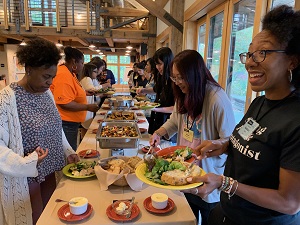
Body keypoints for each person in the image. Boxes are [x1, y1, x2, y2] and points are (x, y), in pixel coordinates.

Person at [186, 5, 300, 225]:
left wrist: (225, 183)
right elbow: (251, 142)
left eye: (262, 53)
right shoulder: (259, 103)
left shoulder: (295, 120)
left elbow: (290, 202)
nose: (249, 62)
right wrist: (223, 145)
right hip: (229, 212)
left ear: (292, 61)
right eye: (249, 54)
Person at [150, 50, 235, 225]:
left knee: (209, 216)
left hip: (208, 177)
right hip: (185, 173)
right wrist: (159, 133)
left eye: (181, 77)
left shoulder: (217, 99)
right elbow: (174, 122)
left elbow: (230, 140)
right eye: (174, 77)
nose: (178, 82)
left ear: (195, 75)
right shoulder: (183, 94)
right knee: (188, 218)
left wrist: (215, 144)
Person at [0, 38, 79, 225]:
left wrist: (68, 151)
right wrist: (25, 162)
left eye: (53, 77)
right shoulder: (6, 100)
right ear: (29, 69)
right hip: (27, 178)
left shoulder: (47, 94)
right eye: (46, 76)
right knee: (35, 218)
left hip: (52, 170)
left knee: (54, 215)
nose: (50, 82)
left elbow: (55, 128)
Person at [50, 47, 99, 150]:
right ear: (74, 62)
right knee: (69, 152)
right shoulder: (63, 75)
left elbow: (70, 92)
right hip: (65, 123)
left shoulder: (70, 73)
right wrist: (87, 107)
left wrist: (84, 93)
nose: (83, 66)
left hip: (71, 122)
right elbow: (64, 103)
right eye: (82, 63)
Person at [148, 47, 175, 140]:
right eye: (156, 64)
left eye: (160, 64)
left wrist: (156, 109)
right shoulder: (161, 76)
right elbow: (156, 89)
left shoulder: (174, 81)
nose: (157, 67)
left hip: (169, 122)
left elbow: (176, 109)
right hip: (157, 117)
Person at [80, 62, 105, 131]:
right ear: (90, 71)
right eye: (95, 71)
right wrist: (104, 86)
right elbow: (92, 89)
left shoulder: (89, 79)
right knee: (86, 124)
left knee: (87, 123)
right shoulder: (87, 79)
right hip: (86, 105)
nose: (97, 73)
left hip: (88, 104)